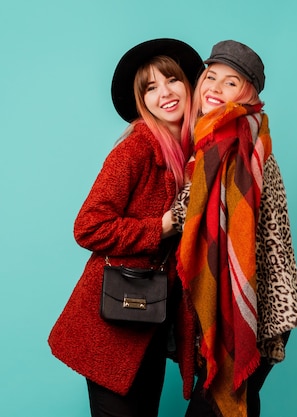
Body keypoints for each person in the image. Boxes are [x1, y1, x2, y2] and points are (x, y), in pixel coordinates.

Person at [47, 38, 203, 417]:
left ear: (188, 85)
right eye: (151, 88)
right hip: (112, 323)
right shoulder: (136, 149)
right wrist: (161, 227)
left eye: (171, 80)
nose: (164, 93)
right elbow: (88, 227)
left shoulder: (194, 152)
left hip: (151, 320)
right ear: (141, 101)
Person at [171, 40, 297, 417]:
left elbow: (186, 215)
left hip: (255, 307)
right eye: (210, 76)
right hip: (236, 302)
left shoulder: (236, 145)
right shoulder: (213, 140)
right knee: (235, 406)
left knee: (220, 406)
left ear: (248, 94)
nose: (214, 87)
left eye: (230, 82)